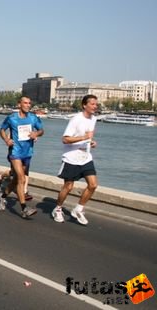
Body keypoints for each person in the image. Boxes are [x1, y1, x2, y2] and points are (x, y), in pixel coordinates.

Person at [52, 94, 98, 225]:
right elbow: (65, 139)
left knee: (93, 185)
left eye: (96, 104)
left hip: (86, 157)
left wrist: (91, 142)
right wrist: (84, 138)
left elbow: (87, 137)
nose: (95, 106)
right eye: (93, 104)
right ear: (85, 105)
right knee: (68, 186)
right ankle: (58, 208)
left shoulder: (94, 119)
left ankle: (78, 209)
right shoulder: (76, 119)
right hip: (72, 157)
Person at [0, 95, 43, 219]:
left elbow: (41, 130)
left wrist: (36, 133)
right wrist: (6, 139)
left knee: (17, 180)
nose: (28, 105)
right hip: (15, 152)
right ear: (19, 105)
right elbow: (1, 130)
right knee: (22, 179)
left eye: (29, 103)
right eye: (25, 103)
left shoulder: (33, 118)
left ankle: (3, 196)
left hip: (27, 153)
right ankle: (24, 208)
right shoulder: (12, 118)